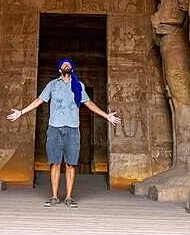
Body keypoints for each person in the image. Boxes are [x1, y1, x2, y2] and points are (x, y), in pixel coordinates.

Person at [7, 58, 121, 207]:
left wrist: (107, 116)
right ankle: (54, 196)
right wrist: (21, 112)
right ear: (60, 70)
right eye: (63, 64)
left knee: (71, 164)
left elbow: (89, 103)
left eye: (68, 64)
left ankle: (68, 197)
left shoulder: (78, 86)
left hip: (73, 129)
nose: (66, 65)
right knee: (54, 163)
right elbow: (39, 100)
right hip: (55, 128)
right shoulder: (52, 85)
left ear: (72, 69)